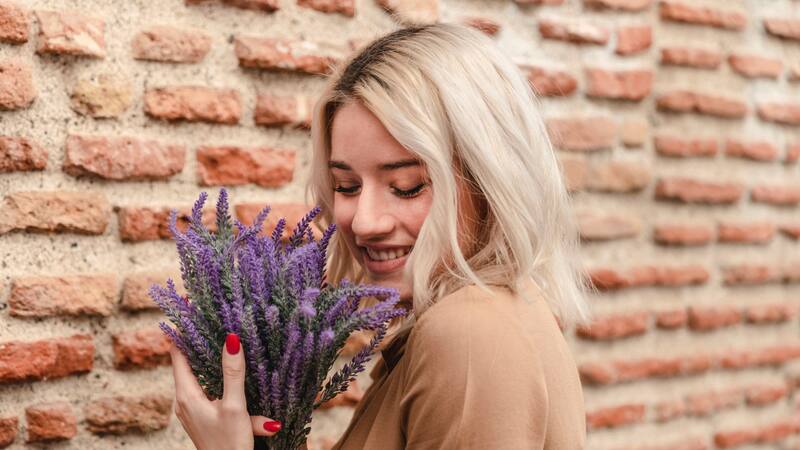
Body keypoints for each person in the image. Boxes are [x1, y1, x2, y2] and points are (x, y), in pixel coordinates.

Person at [169, 22, 594, 450]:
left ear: (490, 183)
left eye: (407, 186)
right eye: (347, 186)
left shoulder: (469, 334)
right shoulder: (490, 316)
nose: (364, 222)